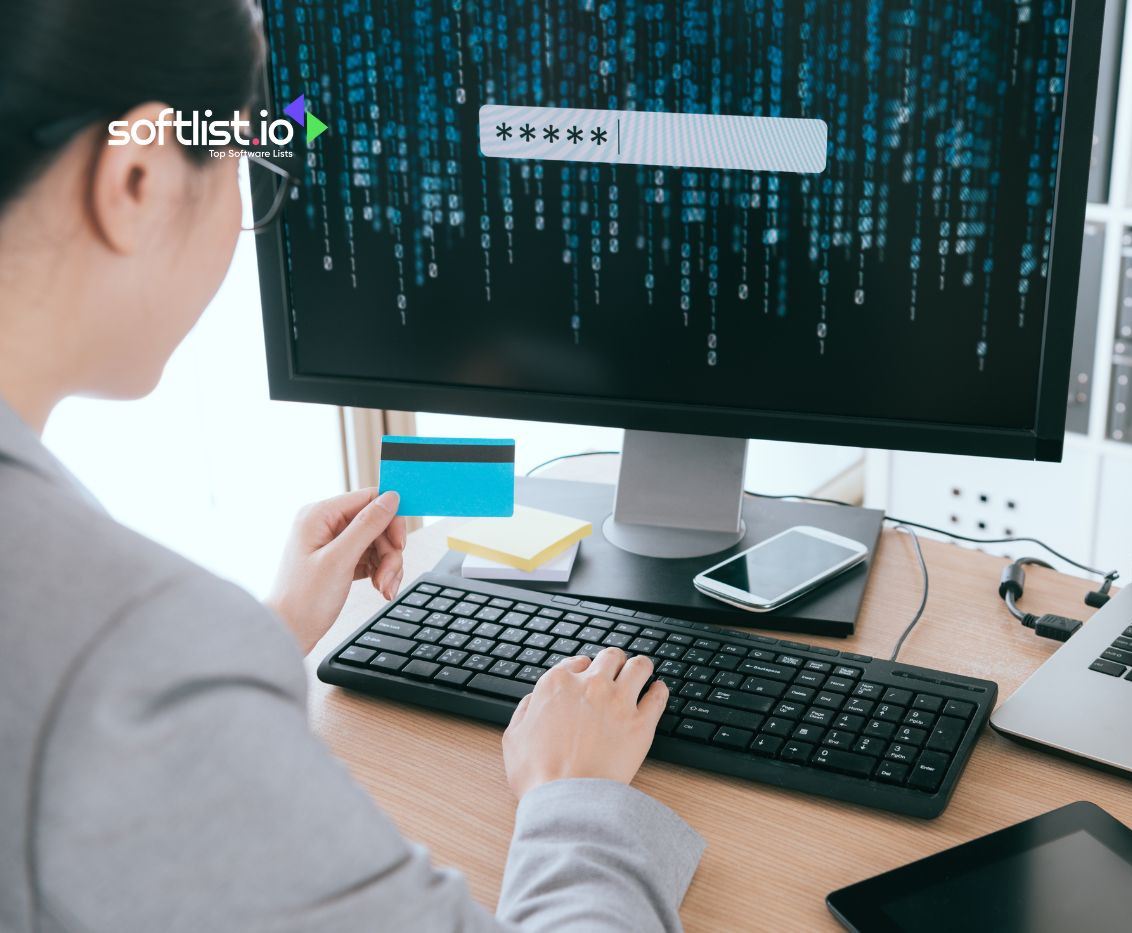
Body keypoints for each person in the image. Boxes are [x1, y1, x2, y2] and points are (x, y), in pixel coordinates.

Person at [0, 1, 704, 931]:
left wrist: (264, 631)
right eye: (250, 164)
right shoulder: (120, 648)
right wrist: (571, 793)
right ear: (137, 176)